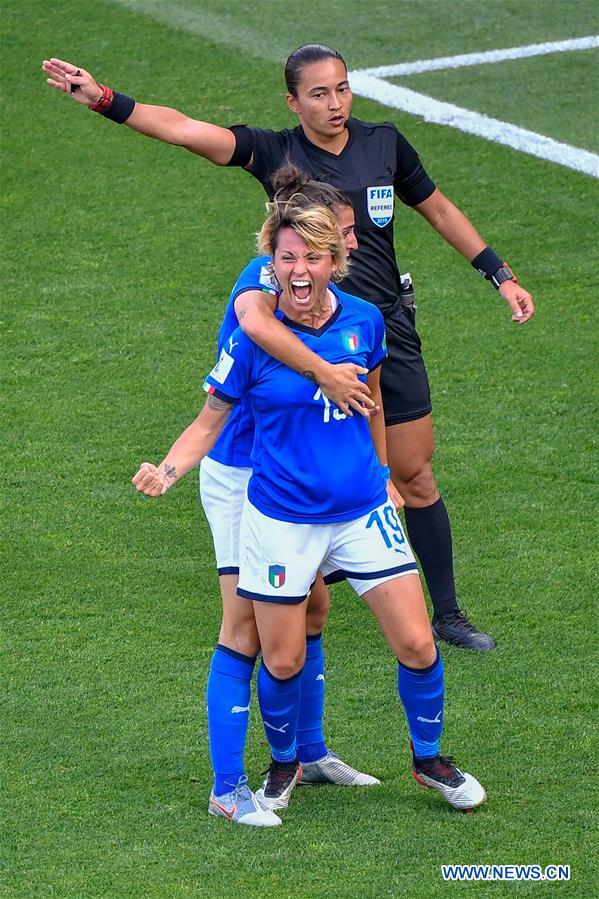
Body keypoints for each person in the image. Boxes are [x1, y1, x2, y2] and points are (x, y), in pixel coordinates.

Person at [43, 45, 535, 650]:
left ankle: (449, 613)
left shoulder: (385, 143)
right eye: (321, 94)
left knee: (413, 474)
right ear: (293, 101)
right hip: (303, 336)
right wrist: (103, 100)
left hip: (383, 332)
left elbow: (436, 208)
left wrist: (499, 273)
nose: (336, 104)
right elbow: (186, 130)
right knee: (307, 460)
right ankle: (310, 583)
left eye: (343, 89)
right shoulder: (275, 151)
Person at [133, 200, 487, 824]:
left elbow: (373, 401)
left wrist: (383, 476)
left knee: (417, 641)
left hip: (360, 513)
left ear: (334, 262)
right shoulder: (255, 340)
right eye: (287, 257)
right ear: (271, 263)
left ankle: (428, 759)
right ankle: (283, 762)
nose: (299, 270)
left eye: (312, 257)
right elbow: (209, 420)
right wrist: (166, 470)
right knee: (282, 658)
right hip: (283, 520)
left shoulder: (365, 321)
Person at [201, 165, 390, 823]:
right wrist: (321, 372)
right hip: (240, 474)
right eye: (340, 233)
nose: (351, 246)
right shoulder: (266, 283)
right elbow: (255, 323)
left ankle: (307, 753)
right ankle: (228, 789)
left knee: (311, 610)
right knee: (244, 626)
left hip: (291, 473)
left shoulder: (332, 296)